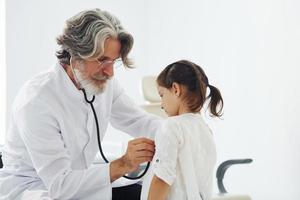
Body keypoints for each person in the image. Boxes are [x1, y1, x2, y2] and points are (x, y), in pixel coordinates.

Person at [0, 9, 161, 200]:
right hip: (36, 189)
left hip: (79, 184)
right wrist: (123, 164)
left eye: (113, 61)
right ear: (75, 54)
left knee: (140, 193)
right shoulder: (36, 102)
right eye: (102, 60)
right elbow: (60, 186)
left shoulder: (103, 84)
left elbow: (139, 121)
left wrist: (181, 130)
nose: (110, 73)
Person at [141, 60, 224, 200]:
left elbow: (162, 177)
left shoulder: (171, 126)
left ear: (175, 89)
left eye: (162, 95)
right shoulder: (206, 130)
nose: (161, 104)